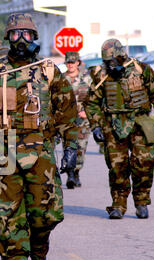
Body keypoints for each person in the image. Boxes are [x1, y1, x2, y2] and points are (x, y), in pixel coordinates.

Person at [0, 13, 78, 260]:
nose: (20, 40)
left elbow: (68, 115)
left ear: (34, 37)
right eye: (15, 34)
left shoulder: (50, 72)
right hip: (3, 155)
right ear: (8, 38)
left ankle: (39, 252)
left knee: (46, 216)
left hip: (41, 153)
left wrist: (72, 148)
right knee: (9, 218)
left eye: (26, 34)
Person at [86, 38, 154, 219]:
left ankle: (141, 201)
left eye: (115, 60)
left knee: (145, 164)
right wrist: (96, 126)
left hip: (139, 122)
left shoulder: (141, 70)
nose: (112, 65)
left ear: (122, 56)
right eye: (108, 62)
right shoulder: (101, 76)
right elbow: (91, 104)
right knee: (117, 168)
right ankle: (118, 205)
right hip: (113, 126)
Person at [63, 51, 92, 188]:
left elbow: (94, 98)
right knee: (68, 147)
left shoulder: (87, 79)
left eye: (73, 62)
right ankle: (70, 174)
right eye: (68, 62)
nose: (70, 65)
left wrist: (87, 112)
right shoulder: (61, 79)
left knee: (81, 148)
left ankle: (76, 173)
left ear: (78, 63)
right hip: (67, 121)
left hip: (83, 121)